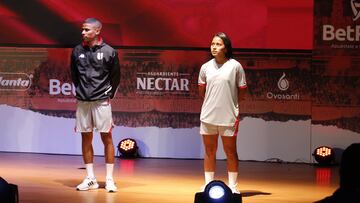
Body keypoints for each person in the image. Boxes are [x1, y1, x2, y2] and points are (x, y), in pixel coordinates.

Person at [70, 18, 120, 192]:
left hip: (101, 101)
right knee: (86, 138)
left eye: (86, 30)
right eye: (82, 30)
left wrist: (108, 95)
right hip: (83, 101)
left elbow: (116, 77)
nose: (83, 33)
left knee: (107, 138)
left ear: (97, 31)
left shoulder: (109, 51)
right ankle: (90, 179)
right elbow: (74, 75)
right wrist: (82, 91)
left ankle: (109, 179)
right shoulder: (77, 50)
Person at [198, 32, 247, 193]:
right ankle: (208, 184)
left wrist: (230, 105)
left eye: (218, 44)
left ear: (226, 48)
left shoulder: (235, 66)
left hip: (228, 117)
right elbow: (201, 91)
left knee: (230, 152)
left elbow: (242, 92)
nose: (214, 47)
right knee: (209, 151)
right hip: (208, 117)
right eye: (212, 44)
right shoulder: (205, 67)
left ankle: (233, 186)